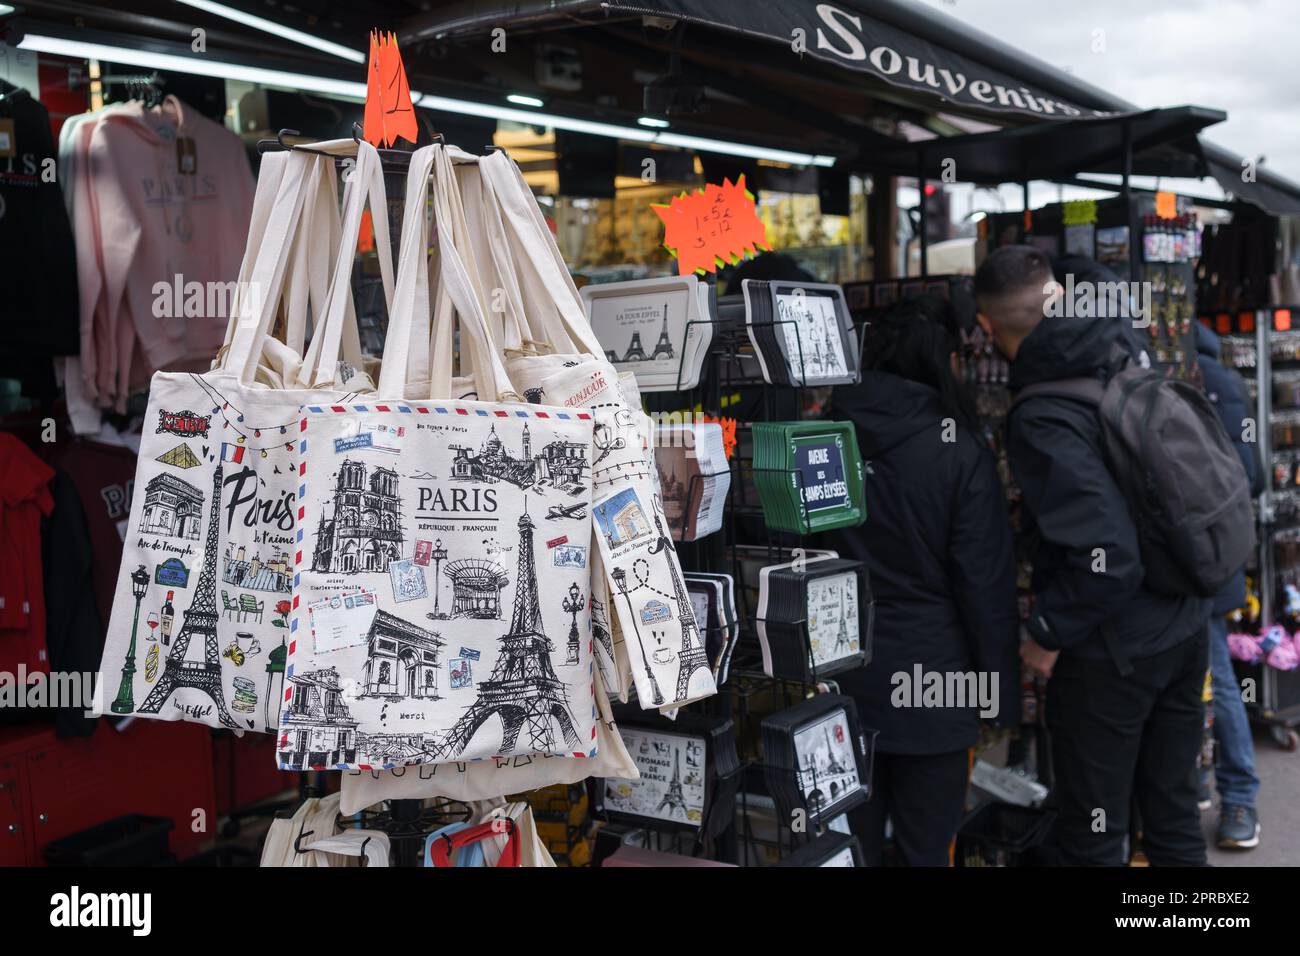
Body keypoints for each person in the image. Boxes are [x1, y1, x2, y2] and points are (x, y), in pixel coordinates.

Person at [974, 245, 1211, 866]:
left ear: (986, 327)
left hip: (1113, 652)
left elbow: (1108, 553)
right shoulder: (1122, 350)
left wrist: (1048, 631)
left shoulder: (1044, 410)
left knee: (1094, 839)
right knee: (1173, 819)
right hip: (1183, 624)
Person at [826, 294, 1019, 866]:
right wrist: (998, 698)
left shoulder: (823, 436)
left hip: (839, 674)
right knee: (927, 851)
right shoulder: (959, 452)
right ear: (939, 361)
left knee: (845, 848)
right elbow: (985, 589)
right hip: (938, 686)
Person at [1196, 322, 1263, 848]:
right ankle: (1234, 799)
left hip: (1195, 565)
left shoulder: (1200, 383)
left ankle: (1236, 796)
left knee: (1212, 678)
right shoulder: (1229, 383)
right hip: (1216, 559)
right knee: (1215, 679)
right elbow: (1254, 474)